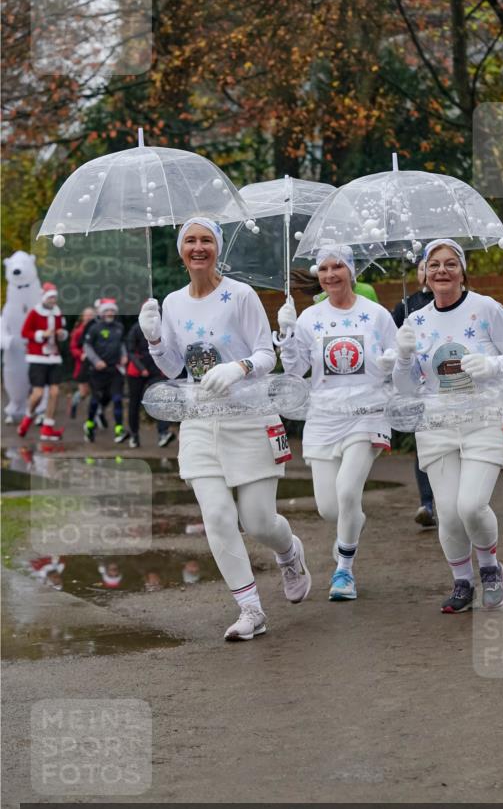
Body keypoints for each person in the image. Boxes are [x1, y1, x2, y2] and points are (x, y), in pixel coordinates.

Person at [138, 217, 311, 641]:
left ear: (217, 248)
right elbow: (174, 368)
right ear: (182, 251)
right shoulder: (174, 302)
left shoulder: (241, 294)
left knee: (257, 522)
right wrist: (155, 339)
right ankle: (250, 609)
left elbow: (267, 356)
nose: (198, 247)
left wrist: (239, 368)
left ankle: (289, 552)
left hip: (250, 418)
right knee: (216, 516)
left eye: (206, 240)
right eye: (191, 240)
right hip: (200, 421)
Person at [393, 238, 503, 613]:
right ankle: (462, 582)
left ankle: (489, 568)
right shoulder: (414, 322)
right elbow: (406, 388)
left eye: (450, 263)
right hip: (436, 425)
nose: (442, 270)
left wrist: (492, 366)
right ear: (424, 273)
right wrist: (403, 354)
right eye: (434, 264)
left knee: (471, 505)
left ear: (463, 271)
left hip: (484, 419)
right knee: (449, 513)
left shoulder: (485, 308)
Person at [277, 245, 397, 602]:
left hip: (367, 412)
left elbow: (400, 361)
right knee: (330, 508)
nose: (330, 275)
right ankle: (350, 526)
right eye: (324, 268)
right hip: (325, 416)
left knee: (347, 491)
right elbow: (296, 371)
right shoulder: (310, 318)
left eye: (338, 267)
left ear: (351, 271)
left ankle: (344, 570)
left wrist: (396, 358)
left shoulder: (376, 314)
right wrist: (286, 334)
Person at [390, 259, 436, 528]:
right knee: (424, 444)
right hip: (417, 386)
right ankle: (427, 503)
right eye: (425, 267)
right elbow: (391, 343)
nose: (428, 272)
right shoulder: (406, 307)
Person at [17, 282, 68, 441]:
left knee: (55, 392)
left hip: (53, 357)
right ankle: (27, 417)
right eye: (50, 297)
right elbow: (24, 332)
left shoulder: (58, 313)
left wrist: (61, 334)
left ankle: (47, 427)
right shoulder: (34, 313)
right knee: (38, 394)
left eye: (54, 298)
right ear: (44, 298)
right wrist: (42, 334)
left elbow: (62, 333)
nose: (53, 300)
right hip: (37, 357)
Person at [82, 297, 128, 444]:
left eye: (112, 310)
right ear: (102, 313)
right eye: (107, 310)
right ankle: (89, 425)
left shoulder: (119, 327)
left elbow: (121, 344)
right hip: (97, 372)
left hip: (114, 370)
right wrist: (96, 361)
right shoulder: (95, 328)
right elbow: (87, 347)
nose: (109, 313)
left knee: (117, 399)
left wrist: (124, 356)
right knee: (96, 401)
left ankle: (119, 430)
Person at [125, 319, 176, 449]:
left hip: (155, 370)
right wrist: (141, 368)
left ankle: (163, 433)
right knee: (134, 403)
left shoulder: (163, 329)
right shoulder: (136, 329)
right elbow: (130, 351)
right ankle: (134, 435)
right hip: (137, 372)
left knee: (161, 398)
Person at [69, 306, 96, 419]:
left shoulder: (97, 329)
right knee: (84, 392)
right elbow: (73, 347)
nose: (89, 317)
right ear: (83, 316)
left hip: (95, 366)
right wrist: (81, 355)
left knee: (96, 392)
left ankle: (96, 416)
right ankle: (73, 403)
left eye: (92, 314)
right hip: (82, 366)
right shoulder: (78, 331)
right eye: (87, 314)